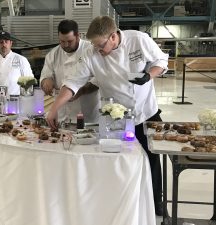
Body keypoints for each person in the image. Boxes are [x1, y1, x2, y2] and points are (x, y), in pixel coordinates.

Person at [46, 16, 168, 216]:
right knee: (119, 161)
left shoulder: (138, 39)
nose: (98, 50)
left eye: (101, 45)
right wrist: (54, 109)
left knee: (151, 159)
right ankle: (122, 203)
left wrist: (149, 75)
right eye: (95, 45)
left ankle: (156, 201)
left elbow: (161, 60)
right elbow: (72, 83)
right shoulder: (90, 52)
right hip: (116, 116)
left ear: (113, 36)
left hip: (146, 111)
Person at [40, 19, 100, 124]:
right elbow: (46, 75)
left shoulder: (90, 50)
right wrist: (46, 81)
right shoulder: (53, 54)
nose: (66, 45)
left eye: (70, 41)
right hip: (62, 113)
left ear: (78, 36)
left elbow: (99, 78)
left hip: (86, 112)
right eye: (62, 41)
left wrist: (82, 90)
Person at [0, 31, 34, 95]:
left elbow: (29, 81)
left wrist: (26, 100)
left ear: (11, 43)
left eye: (6, 42)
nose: (4, 44)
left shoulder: (21, 59)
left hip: (15, 99)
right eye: (1, 42)